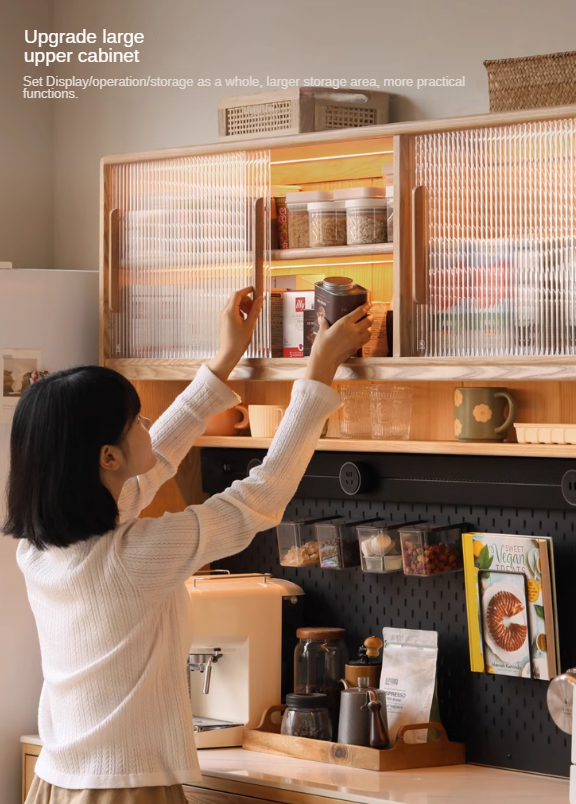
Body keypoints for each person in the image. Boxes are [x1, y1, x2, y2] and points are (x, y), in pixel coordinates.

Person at [3, 287, 371, 804]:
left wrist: (224, 361)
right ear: (108, 457)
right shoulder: (131, 557)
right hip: (125, 790)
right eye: (134, 421)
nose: (146, 424)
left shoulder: (41, 551)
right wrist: (317, 374)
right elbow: (258, 498)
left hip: (56, 782)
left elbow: (154, 467)